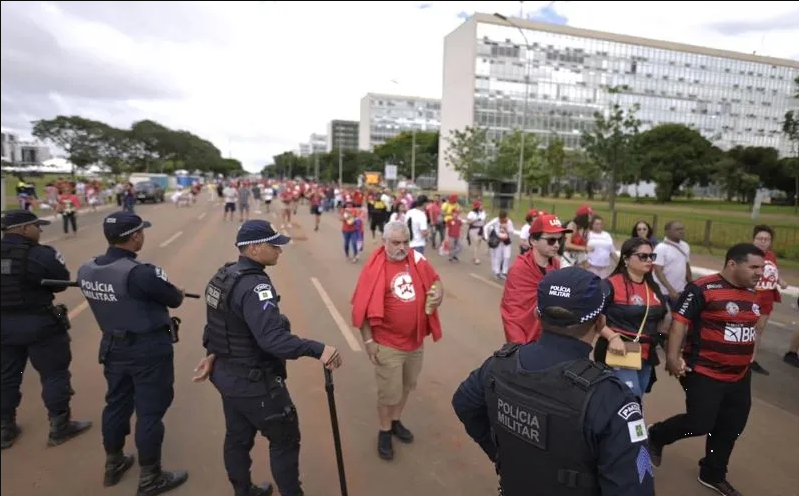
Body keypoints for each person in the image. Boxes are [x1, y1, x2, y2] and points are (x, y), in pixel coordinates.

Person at [452, 267, 655, 496]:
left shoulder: (499, 364)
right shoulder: (611, 398)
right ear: (600, 323)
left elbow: (464, 403)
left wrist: (501, 454)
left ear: (536, 314)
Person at [192, 219, 342, 496]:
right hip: (255, 382)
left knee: (237, 437)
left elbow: (220, 324)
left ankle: (243, 490)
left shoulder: (224, 276)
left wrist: (213, 353)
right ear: (254, 249)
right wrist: (319, 349)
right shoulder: (255, 286)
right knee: (285, 439)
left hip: (227, 374)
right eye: (274, 245)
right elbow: (273, 340)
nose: (279, 250)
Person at [77, 211, 188, 495]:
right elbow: (174, 299)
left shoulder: (87, 269)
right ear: (135, 236)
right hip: (147, 349)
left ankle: (114, 463)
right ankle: (151, 477)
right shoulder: (140, 273)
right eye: (141, 232)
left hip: (113, 347)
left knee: (116, 404)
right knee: (150, 412)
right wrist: (177, 291)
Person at [647, 243, 764, 496]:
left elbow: (751, 328)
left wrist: (750, 353)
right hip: (703, 370)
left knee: (730, 426)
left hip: (739, 375)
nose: (759, 272)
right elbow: (679, 322)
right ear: (732, 263)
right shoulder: (702, 288)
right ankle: (657, 435)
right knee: (700, 422)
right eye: (754, 267)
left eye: (761, 268)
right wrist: (672, 356)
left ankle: (712, 473)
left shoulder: (752, 292)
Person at [351, 220, 444, 460]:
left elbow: (436, 281)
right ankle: (384, 431)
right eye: (395, 243)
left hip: (415, 342)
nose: (402, 247)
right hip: (387, 343)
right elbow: (361, 308)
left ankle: (395, 421)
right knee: (388, 392)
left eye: (405, 242)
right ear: (384, 242)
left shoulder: (417, 259)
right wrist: (369, 342)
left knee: (406, 385)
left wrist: (438, 293)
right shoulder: (374, 268)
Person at [1, 210, 92, 450]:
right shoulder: (40, 254)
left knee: (7, 375)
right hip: (40, 324)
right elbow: (61, 282)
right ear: (24, 229)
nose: (40, 230)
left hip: (4, 326)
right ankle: (60, 427)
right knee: (54, 375)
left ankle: (4, 428)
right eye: (36, 226)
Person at [593, 238, 668, 400]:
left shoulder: (653, 287)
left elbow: (660, 322)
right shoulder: (610, 285)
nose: (649, 260)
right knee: (629, 400)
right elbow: (593, 316)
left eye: (651, 256)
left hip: (645, 354)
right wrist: (612, 337)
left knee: (637, 400)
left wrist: (671, 351)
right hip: (617, 351)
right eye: (643, 256)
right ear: (626, 259)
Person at [500, 214, 565, 344]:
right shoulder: (519, 269)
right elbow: (511, 312)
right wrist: (518, 347)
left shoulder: (556, 266)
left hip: (548, 339)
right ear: (533, 241)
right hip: (525, 341)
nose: (557, 245)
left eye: (560, 240)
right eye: (551, 240)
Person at [750, 224, 789, 375]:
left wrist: (780, 281)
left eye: (766, 239)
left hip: (767, 297)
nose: (763, 241)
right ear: (753, 239)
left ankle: (752, 360)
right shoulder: (747, 254)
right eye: (760, 238)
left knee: (759, 329)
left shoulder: (771, 256)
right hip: (751, 297)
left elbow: (773, 273)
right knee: (745, 327)